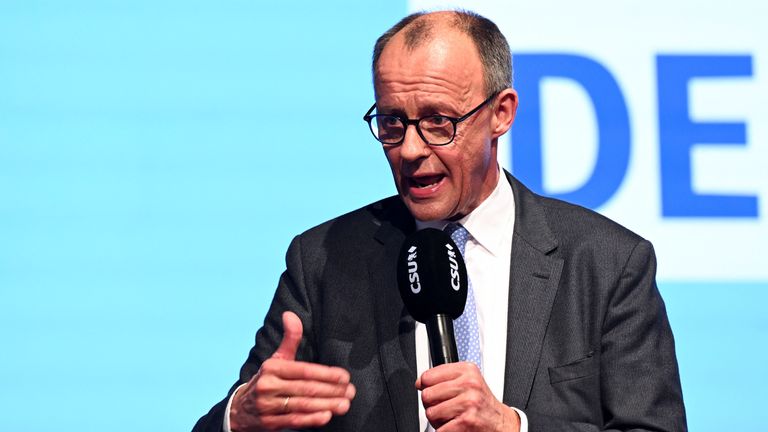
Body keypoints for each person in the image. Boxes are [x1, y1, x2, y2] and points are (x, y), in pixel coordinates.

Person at [193, 10, 686, 432]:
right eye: (391, 122)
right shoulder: (322, 260)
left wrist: (514, 427)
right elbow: (247, 408)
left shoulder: (606, 263)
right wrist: (241, 416)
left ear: (501, 113)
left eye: (438, 123)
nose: (409, 149)